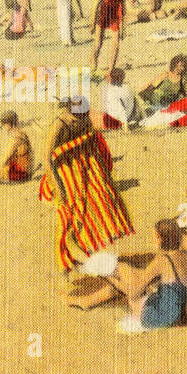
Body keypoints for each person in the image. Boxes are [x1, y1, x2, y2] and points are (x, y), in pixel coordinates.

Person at [39, 98, 134, 271]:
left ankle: (87, 252)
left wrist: (102, 172)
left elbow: (94, 143)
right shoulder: (59, 125)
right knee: (70, 216)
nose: (80, 118)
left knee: (98, 206)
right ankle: (72, 259)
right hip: (62, 174)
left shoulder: (84, 118)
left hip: (82, 169)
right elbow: (46, 159)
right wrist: (58, 186)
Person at [66, 218, 187, 331]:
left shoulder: (162, 261)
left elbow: (133, 293)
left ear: (160, 239)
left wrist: (109, 278)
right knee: (124, 268)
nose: (152, 239)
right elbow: (176, 285)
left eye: (154, 236)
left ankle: (90, 265)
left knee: (122, 274)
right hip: (177, 314)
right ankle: (88, 294)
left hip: (155, 317)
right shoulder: (185, 256)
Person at [89, 0, 127, 78]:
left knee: (116, 43)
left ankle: (111, 68)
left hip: (115, 15)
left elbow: (123, 10)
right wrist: (92, 22)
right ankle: (93, 63)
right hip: (103, 13)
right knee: (98, 43)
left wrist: (123, 27)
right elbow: (95, 6)